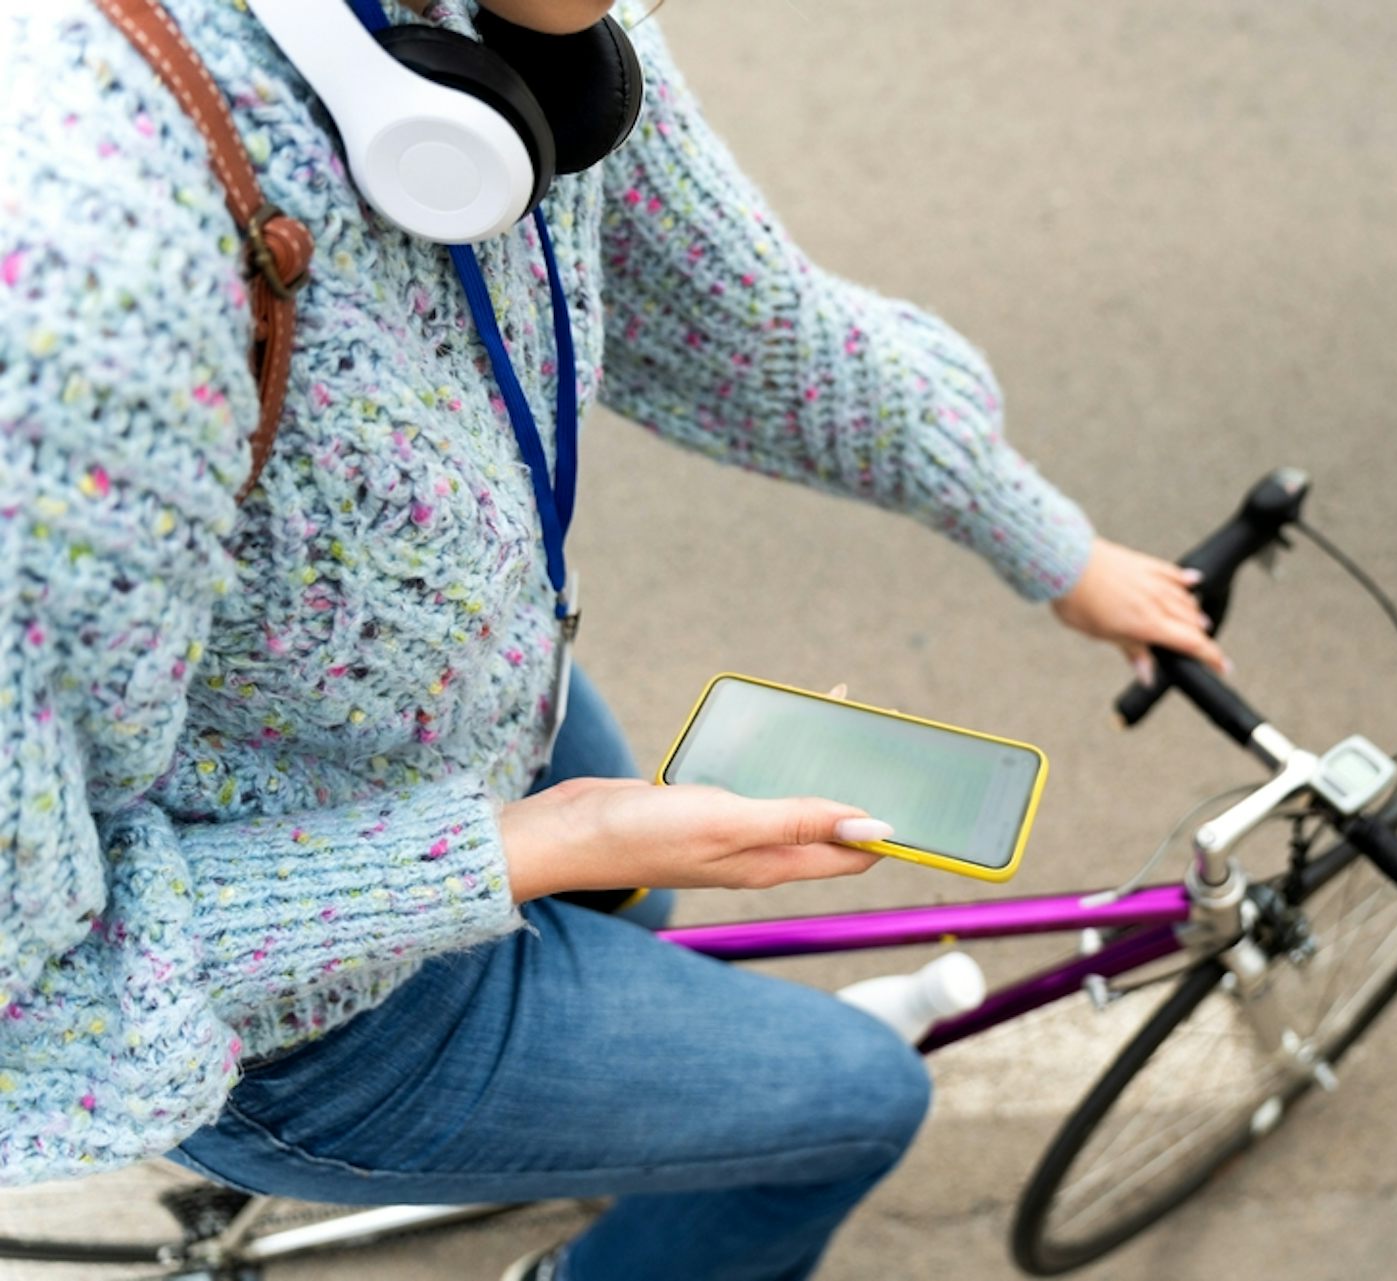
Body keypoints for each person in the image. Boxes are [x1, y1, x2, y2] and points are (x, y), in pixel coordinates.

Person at [0, 0, 1228, 1276]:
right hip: (291, 1015)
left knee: (641, 913)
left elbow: (759, 328)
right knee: (859, 1100)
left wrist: (1046, 541)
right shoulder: (77, 283)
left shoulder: (532, 24)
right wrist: (520, 850)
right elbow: (26, 990)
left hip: (473, 738)